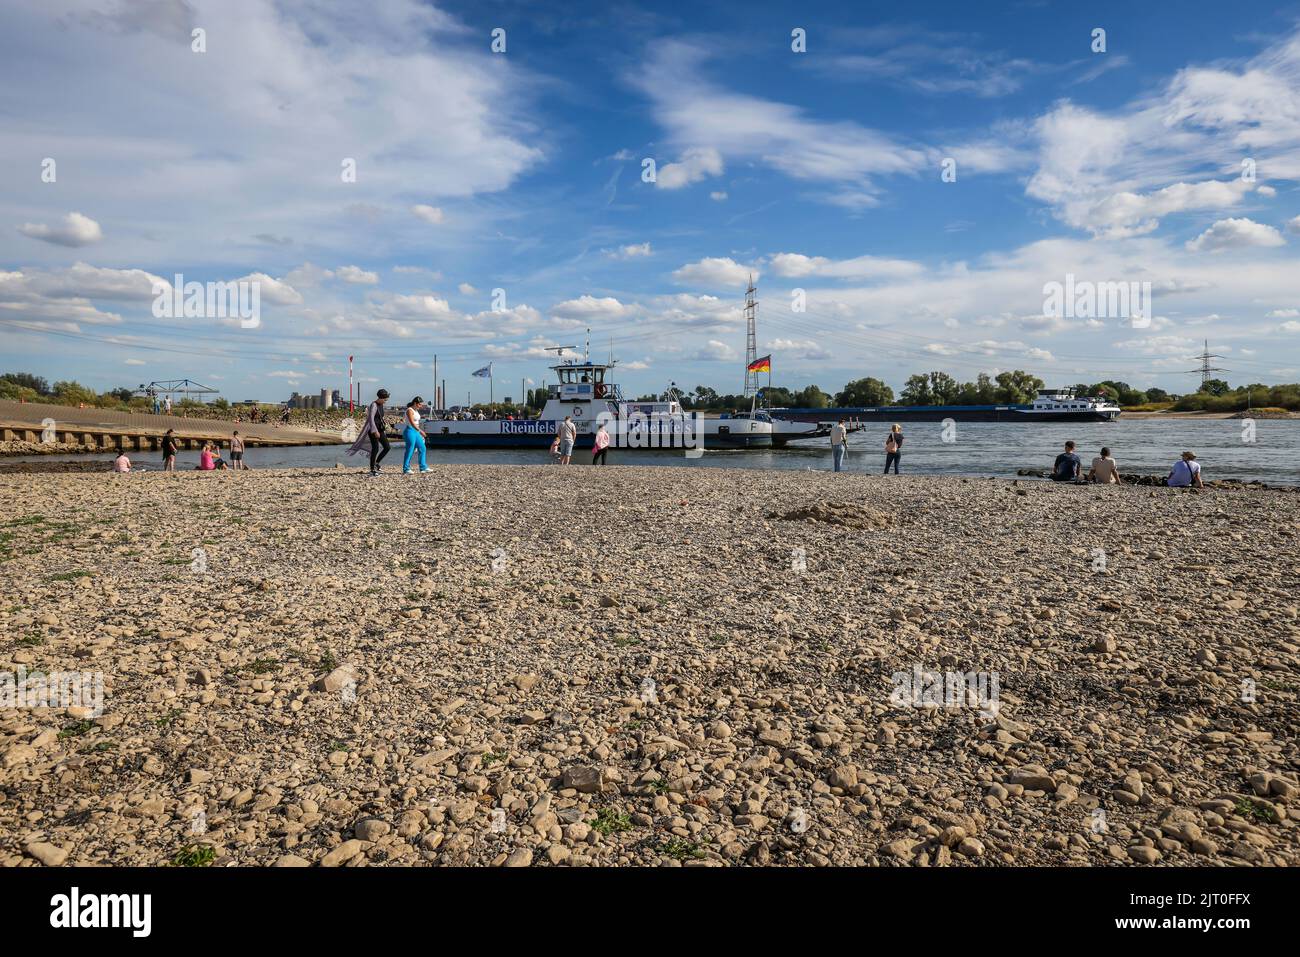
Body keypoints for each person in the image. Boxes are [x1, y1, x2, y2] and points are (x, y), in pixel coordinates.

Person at [347, 389, 391, 475]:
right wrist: (375, 431)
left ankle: (376, 463)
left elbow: (380, 418)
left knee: (387, 447)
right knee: (375, 448)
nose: (386, 401)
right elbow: (371, 419)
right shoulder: (374, 405)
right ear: (381, 398)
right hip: (373, 430)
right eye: (385, 399)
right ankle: (372, 470)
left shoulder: (381, 405)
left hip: (380, 429)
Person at [401, 396, 430, 474]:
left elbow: (417, 423)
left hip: (416, 431)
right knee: (410, 449)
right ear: (415, 403)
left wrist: (418, 431)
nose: (421, 406)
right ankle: (406, 468)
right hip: (410, 431)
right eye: (419, 404)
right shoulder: (409, 410)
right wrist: (421, 431)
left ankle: (423, 467)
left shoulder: (416, 411)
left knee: (422, 448)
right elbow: (412, 422)